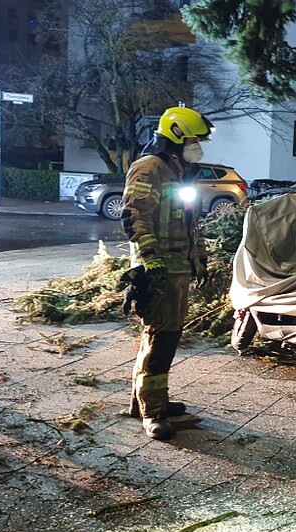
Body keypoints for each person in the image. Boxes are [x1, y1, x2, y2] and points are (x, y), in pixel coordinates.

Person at [121, 106, 213, 440]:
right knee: (161, 339)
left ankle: (143, 401)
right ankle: (153, 413)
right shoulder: (150, 168)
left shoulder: (179, 170)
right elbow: (135, 215)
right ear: (174, 135)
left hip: (176, 269)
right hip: (158, 270)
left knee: (165, 336)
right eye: (193, 139)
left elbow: (187, 223)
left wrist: (197, 258)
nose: (198, 145)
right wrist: (150, 259)